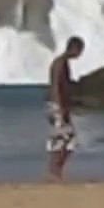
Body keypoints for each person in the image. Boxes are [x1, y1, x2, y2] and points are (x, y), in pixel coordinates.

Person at [46, 36, 84, 182]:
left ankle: (56, 171)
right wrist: (58, 107)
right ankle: (54, 171)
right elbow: (55, 86)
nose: (79, 54)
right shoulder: (59, 63)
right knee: (64, 139)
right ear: (74, 48)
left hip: (61, 105)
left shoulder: (63, 63)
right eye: (80, 51)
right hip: (58, 106)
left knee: (66, 141)